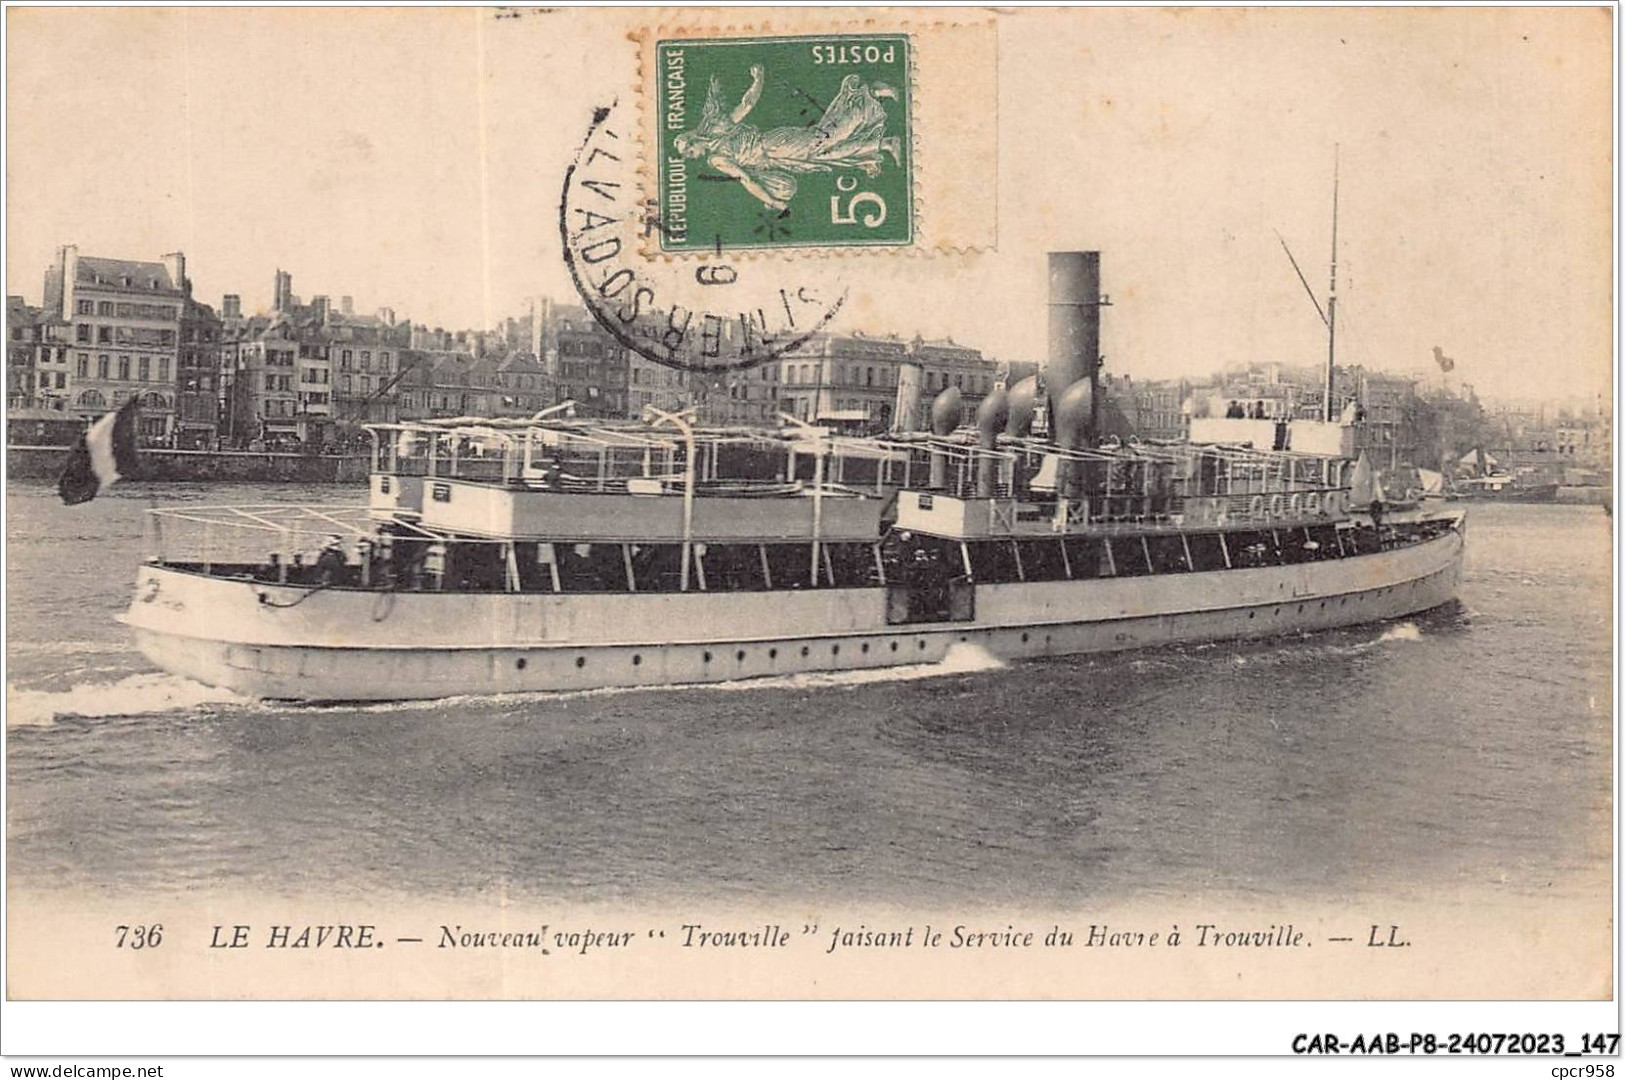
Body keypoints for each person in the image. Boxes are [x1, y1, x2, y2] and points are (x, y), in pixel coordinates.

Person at [674, 67, 903, 213]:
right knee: (825, 155)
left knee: (825, 138)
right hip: (777, 157)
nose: (692, 157)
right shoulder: (717, 132)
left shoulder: (716, 156)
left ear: (693, 141)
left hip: (774, 145)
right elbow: (747, 106)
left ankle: (867, 94)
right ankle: (885, 143)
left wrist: (774, 203)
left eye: (689, 152)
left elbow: (745, 178)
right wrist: (759, 79)